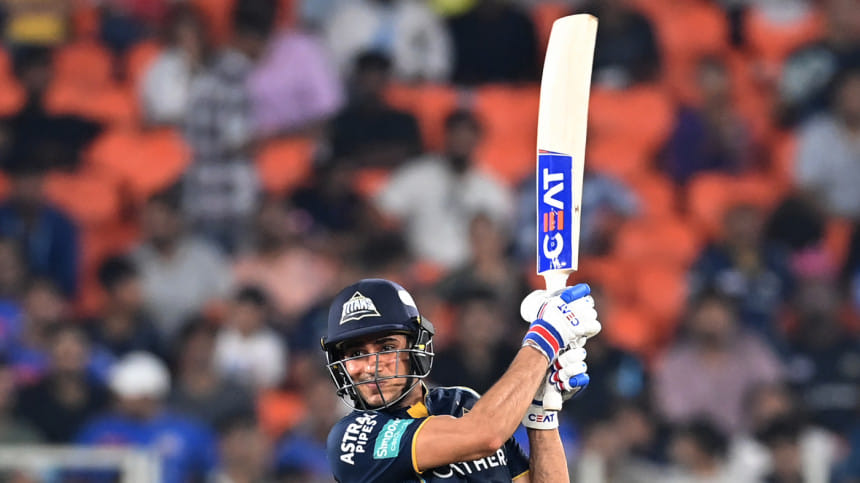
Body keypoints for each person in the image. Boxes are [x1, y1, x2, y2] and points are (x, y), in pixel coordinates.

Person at [322, 278, 601, 481]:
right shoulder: (352, 439)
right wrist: (546, 339)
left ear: (416, 347)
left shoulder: (461, 403)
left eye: (386, 348)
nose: (371, 366)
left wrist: (541, 411)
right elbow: (486, 434)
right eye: (357, 353)